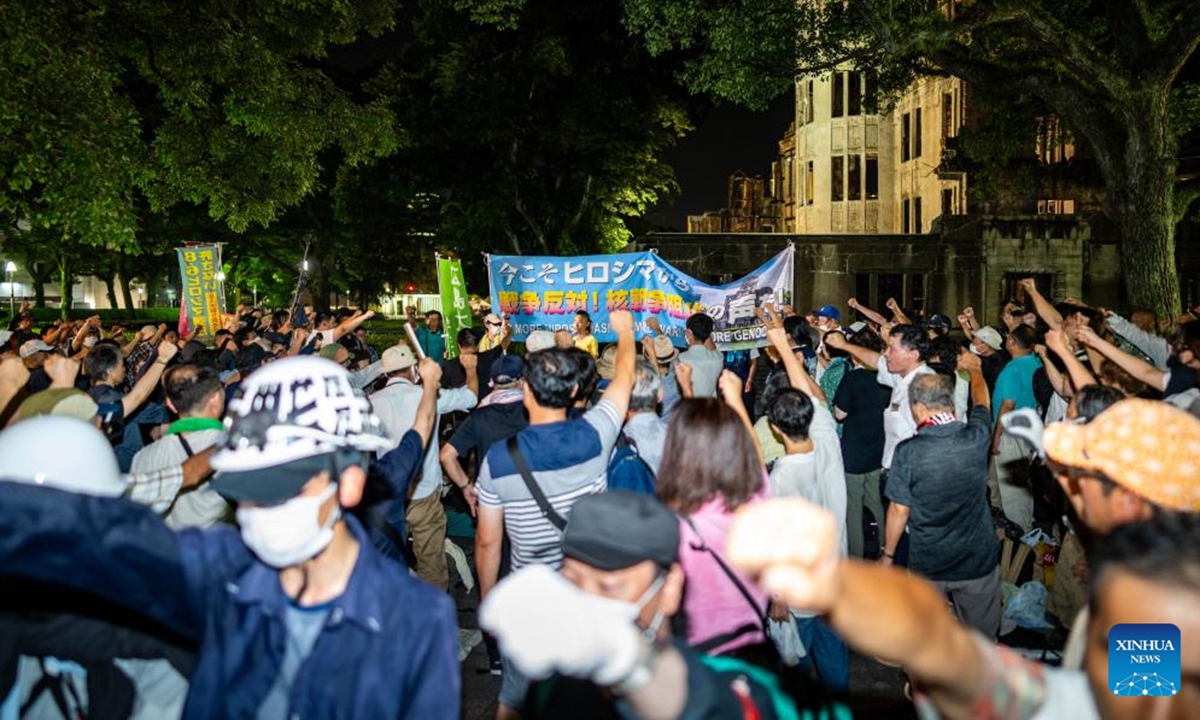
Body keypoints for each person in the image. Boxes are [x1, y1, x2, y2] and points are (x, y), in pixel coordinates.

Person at [0, 356, 460, 718]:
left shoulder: (416, 618)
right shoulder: (219, 572)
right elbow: (83, 531)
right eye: (248, 492)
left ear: (350, 482)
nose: (260, 512)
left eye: (282, 489)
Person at [728, 496, 1200, 720]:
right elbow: (945, 648)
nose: (1149, 693)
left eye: (1188, 678)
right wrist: (829, 585)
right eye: (1121, 647)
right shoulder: (1071, 706)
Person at [481, 492, 840, 720]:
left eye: (610, 586)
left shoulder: (747, 684)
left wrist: (634, 669)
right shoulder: (553, 689)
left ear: (670, 588)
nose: (588, 602)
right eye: (573, 582)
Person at [475, 310, 637, 719]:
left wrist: (491, 600)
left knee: (514, 698)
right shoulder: (598, 433)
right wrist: (627, 332)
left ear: (527, 392)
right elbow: (623, 380)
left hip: (531, 600)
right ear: (573, 394)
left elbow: (489, 542)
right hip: (589, 594)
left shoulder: (499, 459)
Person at [1040, 398, 1200, 670]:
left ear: (1128, 501)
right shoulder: (1164, 553)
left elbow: (1140, 702)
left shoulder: (1146, 603)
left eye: (1083, 471)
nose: (1075, 480)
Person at [884, 354, 1001, 637]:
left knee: (928, 642)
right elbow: (983, 403)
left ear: (919, 407)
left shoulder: (909, 452)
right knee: (981, 640)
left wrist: (888, 555)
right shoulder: (976, 437)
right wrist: (975, 370)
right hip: (977, 561)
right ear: (948, 402)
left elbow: (899, 510)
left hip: (929, 563)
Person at [656, 373, 770, 662]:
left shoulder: (673, 524)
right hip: (750, 652)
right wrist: (733, 400)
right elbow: (754, 459)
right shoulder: (754, 500)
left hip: (698, 659)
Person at [762, 318, 849, 692]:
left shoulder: (781, 477)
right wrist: (783, 345)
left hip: (798, 595)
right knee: (835, 671)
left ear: (776, 430)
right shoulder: (829, 445)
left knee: (794, 674)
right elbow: (816, 397)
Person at [370, 343, 477, 590]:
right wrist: (470, 370)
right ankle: (434, 614)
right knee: (431, 560)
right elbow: (471, 397)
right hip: (425, 490)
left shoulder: (370, 403)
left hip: (388, 494)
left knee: (388, 560)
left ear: (385, 373)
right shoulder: (428, 395)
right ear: (414, 369)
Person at [130, 363, 230, 529]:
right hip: (219, 549)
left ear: (170, 404)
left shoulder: (141, 457)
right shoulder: (235, 447)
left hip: (166, 550)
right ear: (216, 398)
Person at [826, 324, 934, 474]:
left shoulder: (926, 388)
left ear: (913, 354)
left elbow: (935, 441)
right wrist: (844, 345)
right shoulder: (902, 376)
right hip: (893, 472)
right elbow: (876, 360)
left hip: (909, 475)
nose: (886, 354)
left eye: (892, 349)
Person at [440, 355, 530, 515]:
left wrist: (466, 486)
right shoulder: (538, 413)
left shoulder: (479, 417)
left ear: (492, 382)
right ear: (523, 380)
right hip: (530, 498)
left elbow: (446, 456)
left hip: (491, 500)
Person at [832, 329, 890, 558]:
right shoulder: (886, 379)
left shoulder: (852, 378)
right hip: (878, 449)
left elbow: (840, 414)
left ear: (855, 355)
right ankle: (884, 548)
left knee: (853, 507)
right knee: (876, 502)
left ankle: (855, 557)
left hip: (854, 453)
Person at [676, 313, 723, 399]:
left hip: (690, 409)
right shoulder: (718, 358)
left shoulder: (680, 360)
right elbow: (712, 347)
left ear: (689, 332)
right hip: (711, 409)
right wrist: (704, 329)